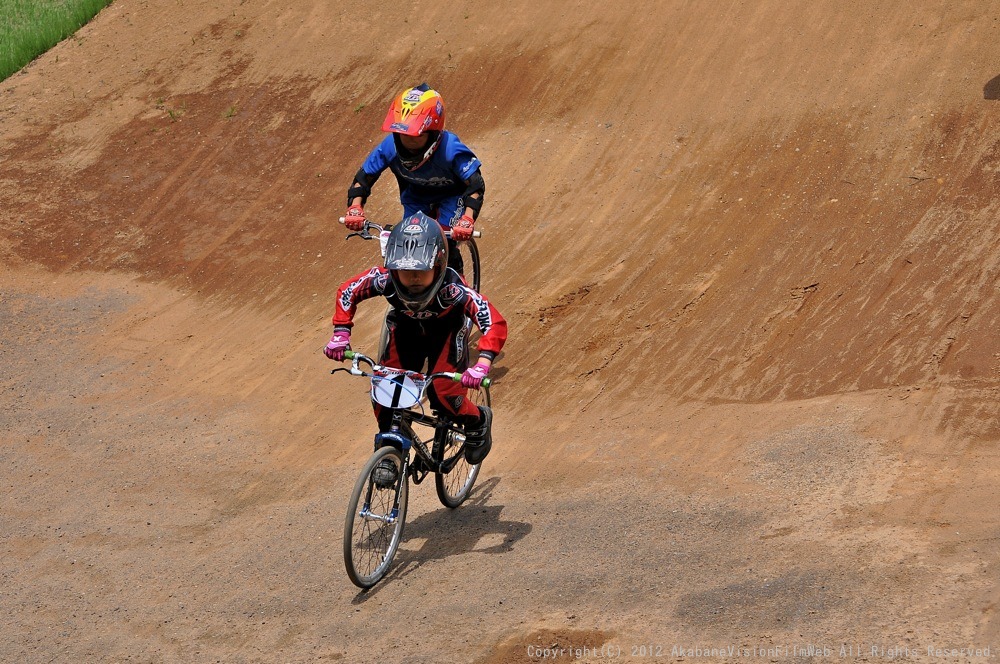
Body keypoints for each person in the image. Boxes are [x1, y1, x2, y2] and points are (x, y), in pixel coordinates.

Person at [324, 211, 506, 474]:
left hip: (445, 334)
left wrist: (483, 363)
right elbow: (349, 290)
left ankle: (477, 420)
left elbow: (493, 321)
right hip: (405, 330)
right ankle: (390, 450)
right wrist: (341, 333)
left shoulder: (453, 289)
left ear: (438, 265)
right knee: (385, 389)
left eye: (421, 271)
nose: (414, 279)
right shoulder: (385, 279)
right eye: (405, 272)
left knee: (443, 393)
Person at [342, 83, 486, 274]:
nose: (408, 143)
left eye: (415, 136)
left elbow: (475, 185)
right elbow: (363, 179)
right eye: (403, 136)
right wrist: (355, 208)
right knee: (407, 249)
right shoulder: (389, 147)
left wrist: (467, 219)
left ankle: (457, 289)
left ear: (433, 132)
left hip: (452, 197)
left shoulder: (451, 149)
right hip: (416, 198)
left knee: (444, 245)